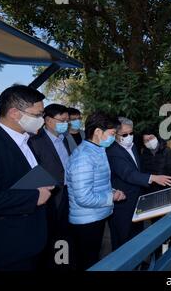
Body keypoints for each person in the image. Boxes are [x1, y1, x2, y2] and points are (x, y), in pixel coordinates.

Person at [0, 85, 54, 270]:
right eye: (37, 115)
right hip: (8, 249)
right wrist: (35, 196)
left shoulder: (26, 139)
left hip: (33, 241)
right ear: (15, 113)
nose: (42, 120)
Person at [66, 112, 126, 270]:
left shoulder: (96, 151)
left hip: (95, 216)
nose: (114, 138)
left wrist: (112, 191)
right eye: (112, 134)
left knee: (92, 258)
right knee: (88, 262)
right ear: (98, 132)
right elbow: (83, 197)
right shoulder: (84, 157)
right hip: (87, 221)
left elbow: (96, 183)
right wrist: (110, 197)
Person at [106, 117, 171, 251]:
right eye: (125, 134)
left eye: (131, 133)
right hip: (123, 203)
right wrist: (153, 178)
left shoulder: (133, 146)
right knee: (122, 241)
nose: (129, 137)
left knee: (136, 237)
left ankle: (138, 263)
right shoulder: (113, 151)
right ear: (115, 134)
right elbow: (128, 173)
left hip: (137, 200)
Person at [28, 103, 71, 270]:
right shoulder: (35, 142)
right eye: (62, 120)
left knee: (65, 233)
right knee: (49, 235)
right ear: (48, 120)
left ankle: (63, 263)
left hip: (67, 192)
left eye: (67, 120)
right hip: (49, 198)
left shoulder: (65, 139)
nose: (65, 124)